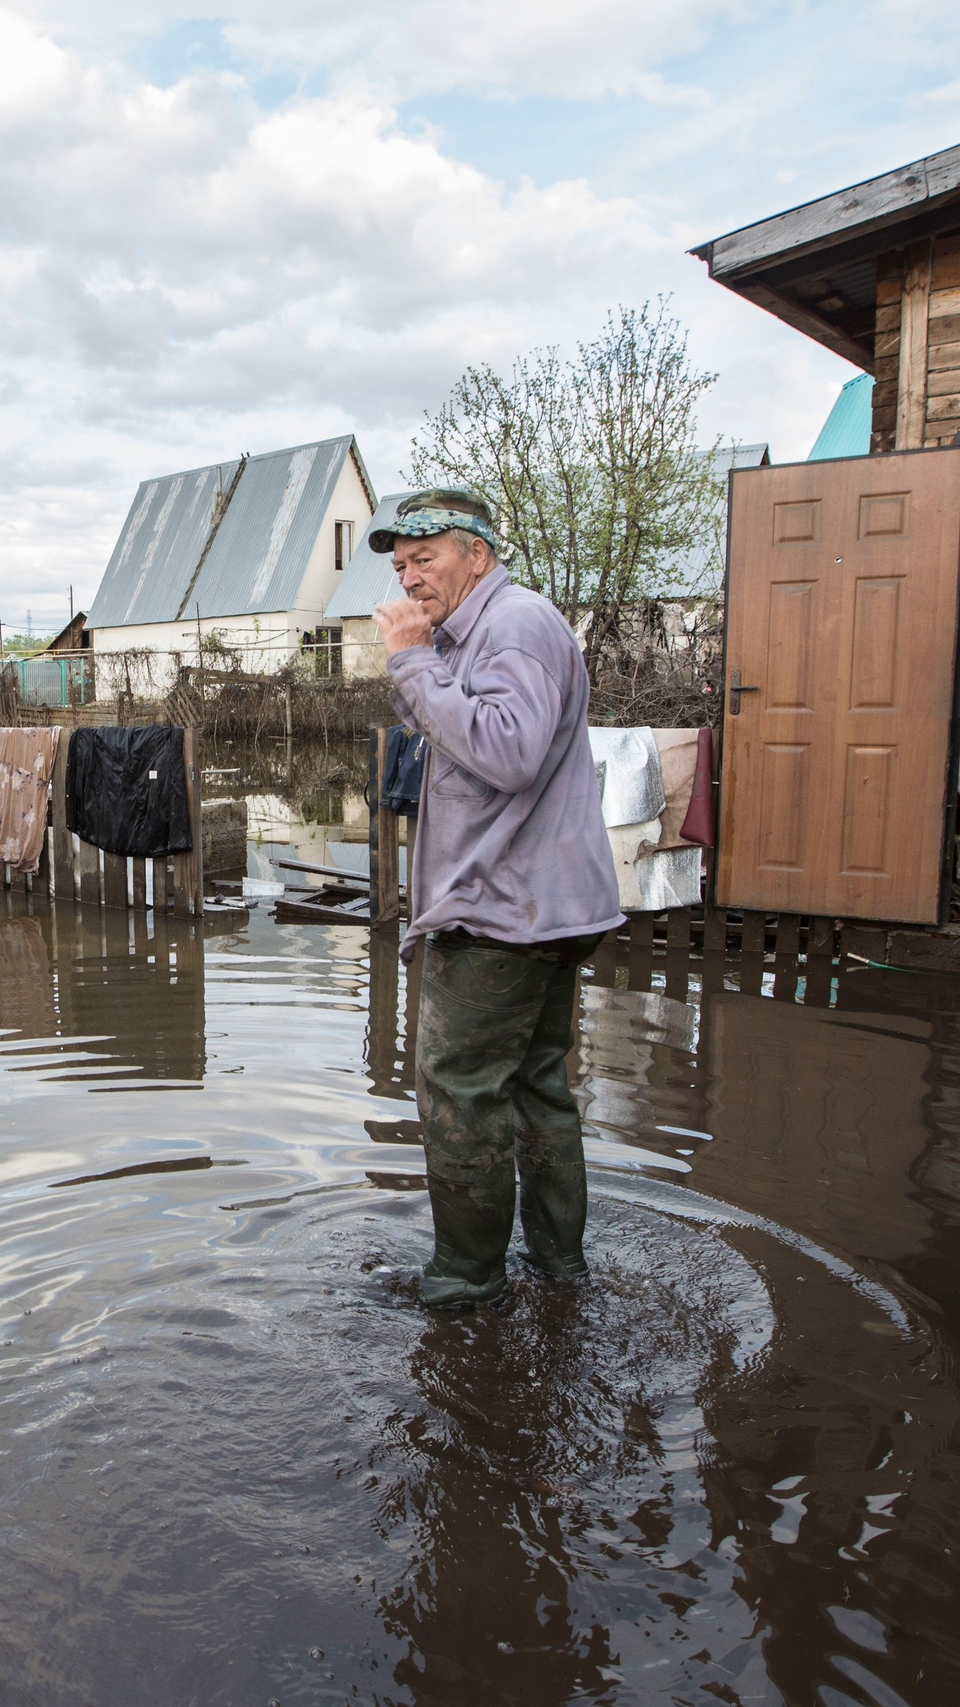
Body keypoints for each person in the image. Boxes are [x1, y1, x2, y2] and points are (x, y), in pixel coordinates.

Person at [372, 488, 623, 1309]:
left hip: (500, 913)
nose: (410, 578)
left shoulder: (514, 622)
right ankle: (559, 1269)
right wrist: (426, 660)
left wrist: (411, 661)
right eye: (401, 564)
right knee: (534, 1088)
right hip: (538, 905)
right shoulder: (482, 630)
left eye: (425, 558)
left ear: (476, 554)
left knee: (459, 1092)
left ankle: (465, 1281)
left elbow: (508, 752)